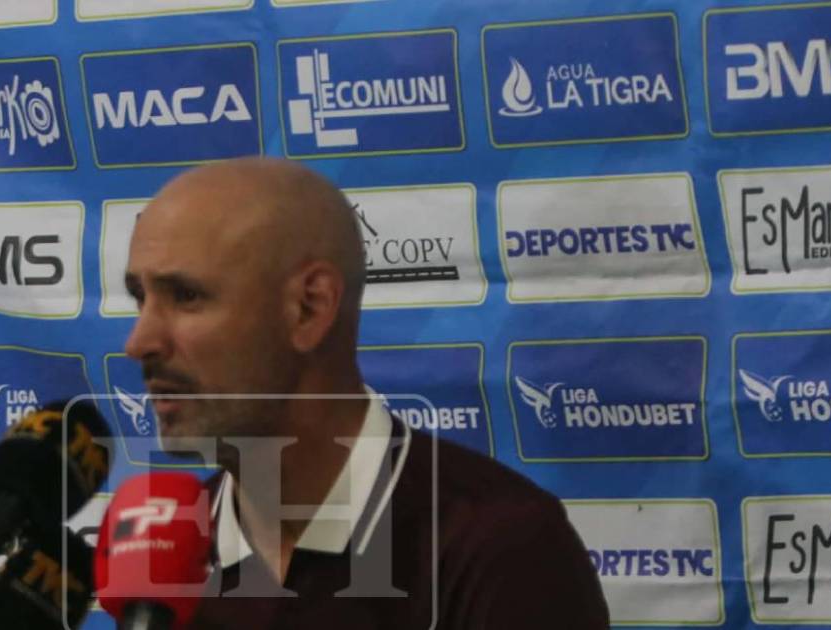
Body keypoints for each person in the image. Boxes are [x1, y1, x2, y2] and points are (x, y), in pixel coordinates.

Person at [122, 157, 609, 629]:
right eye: (140, 298)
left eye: (186, 296)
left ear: (309, 308)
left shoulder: (498, 548)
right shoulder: (165, 556)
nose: (139, 342)